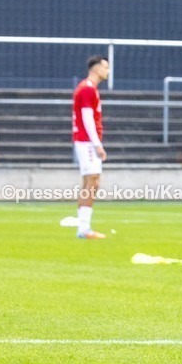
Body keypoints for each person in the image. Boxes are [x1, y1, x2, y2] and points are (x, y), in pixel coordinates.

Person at [72, 56, 110, 239]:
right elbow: (87, 119)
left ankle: (83, 227)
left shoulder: (88, 88)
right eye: (105, 67)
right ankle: (84, 229)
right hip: (87, 141)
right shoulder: (87, 89)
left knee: (90, 182)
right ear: (96, 68)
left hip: (85, 141)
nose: (107, 71)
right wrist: (97, 145)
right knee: (92, 181)